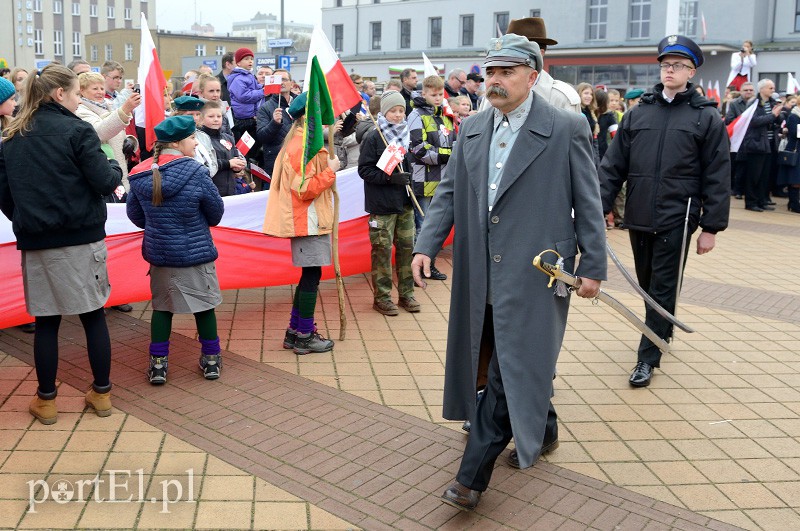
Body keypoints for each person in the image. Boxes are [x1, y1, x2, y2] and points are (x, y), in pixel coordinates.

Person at [413, 34, 606, 512]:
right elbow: (450, 193)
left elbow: (589, 201)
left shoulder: (565, 127)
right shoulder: (473, 127)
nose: (494, 82)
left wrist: (594, 266)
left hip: (538, 269)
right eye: (490, 73)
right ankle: (544, 428)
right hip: (480, 270)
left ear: (532, 77)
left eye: (506, 73)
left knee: (507, 370)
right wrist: (426, 244)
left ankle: (470, 477)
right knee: (508, 359)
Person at [599, 35, 730, 387]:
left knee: (662, 286)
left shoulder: (706, 117)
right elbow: (613, 167)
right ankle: (662, 327)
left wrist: (711, 227)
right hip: (639, 214)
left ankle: (648, 356)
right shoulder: (638, 112)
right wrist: (597, 207)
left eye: (678, 66)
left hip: (679, 215)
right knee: (646, 285)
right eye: (665, 64)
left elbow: (717, 174)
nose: (669, 70)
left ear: (691, 71)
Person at [0, 64, 123, 424]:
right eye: (75, 93)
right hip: (82, 237)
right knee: (93, 316)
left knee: (47, 321)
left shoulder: (13, 136)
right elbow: (104, 181)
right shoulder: (77, 131)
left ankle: (47, 399)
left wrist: (28, 219)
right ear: (60, 94)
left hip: (39, 241)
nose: (79, 98)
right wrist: (114, 166)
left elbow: (6, 196)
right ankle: (101, 394)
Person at [126, 115, 225, 384]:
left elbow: (135, 216)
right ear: (179, 142)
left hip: (160, 253)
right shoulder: (196, 172)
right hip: (196, 253)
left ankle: (158, 364)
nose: (196, 142)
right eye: (192, 137)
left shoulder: (140, 174)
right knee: (204, 306)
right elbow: (215, 214)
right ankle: (211, 358)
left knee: (162, 308)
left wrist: (159, 224)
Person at [262, 93, 339, 356]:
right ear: (308, 116)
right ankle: (304, 335)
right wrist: (331, 171)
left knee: (310, 275)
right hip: (306, 220)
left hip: (309, 219)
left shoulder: (304, 142)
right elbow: (303, 189)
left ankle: (296, 332)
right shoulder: (301, 145)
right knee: (311, 276)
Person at [358, 90, 419, 316]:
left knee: (407, 249)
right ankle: (382, 297)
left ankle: (407, 294)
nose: (398, 115)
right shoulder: (375, 136)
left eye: (401, 110)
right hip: (382, 205)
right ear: (384, 112)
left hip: (404, 203)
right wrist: (389, 178)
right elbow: (364, 170)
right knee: (382, 251)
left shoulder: (406, 135)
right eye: (393, 111)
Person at [407, 74, 456, 282]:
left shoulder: (446, 115)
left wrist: (452, 153)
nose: (437, 98)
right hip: (423, 179)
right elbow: (418, 147)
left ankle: (431, 264)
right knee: (424, 225)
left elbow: (454, 140)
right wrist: (447, 156)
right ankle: (419, 267)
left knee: (436, 224)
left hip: (443, 179)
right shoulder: (416, 115)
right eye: (433, 95)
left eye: (440, 95)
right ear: (424, 93)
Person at [478, 17, 581, 114]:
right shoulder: (493, 95)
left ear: (540, 53)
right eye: (490, 73)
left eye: (506, 72)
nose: (495, 80)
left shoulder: (561, 97)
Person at [256, 68, 294, 189]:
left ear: (291, 84)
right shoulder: (265, 108)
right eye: (278, 80)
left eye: (284, 79)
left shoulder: (301, 104)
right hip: (276, 165)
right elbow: (261, 136)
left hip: (298, 164)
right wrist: (274, 123)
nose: (281, 83)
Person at [199, 101, 247, 196]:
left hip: (230, 189)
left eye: (219, 116)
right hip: (211, 190)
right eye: (211, 117)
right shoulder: (200, 139)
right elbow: (206, 164)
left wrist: (238, 166)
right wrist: (228, 163)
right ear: (202, 119)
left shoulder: (228, 138)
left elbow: (234, 157)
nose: (216, 119)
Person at [227, 48, 263, 146]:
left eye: (251, 58)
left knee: (253, 145)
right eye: (246, 59)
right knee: (246, 146)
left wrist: (262, 87)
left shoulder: (248, 75)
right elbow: (244, 95)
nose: (250, 61)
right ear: (238, 63)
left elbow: (254, 88)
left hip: (250, 116)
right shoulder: (238, 78)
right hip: (243, 119)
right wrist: (262, 92)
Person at [778, 99, 800, 213]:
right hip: (795, 150)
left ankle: (793, 203)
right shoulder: (794, 116)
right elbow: (796, 133)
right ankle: (794, 203)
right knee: (796, 179)